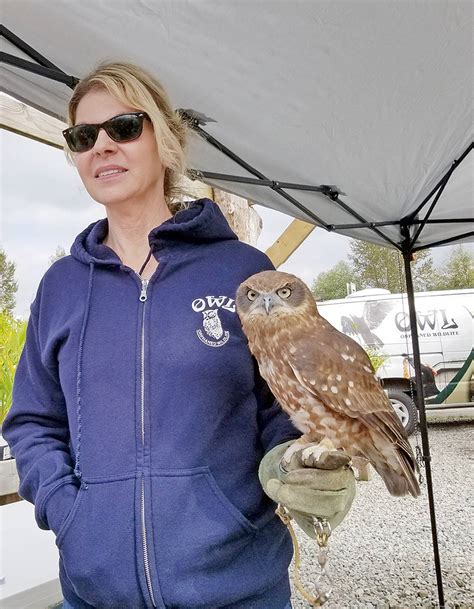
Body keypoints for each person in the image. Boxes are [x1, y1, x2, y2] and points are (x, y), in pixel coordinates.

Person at [2, 62, 355, 609]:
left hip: (238, 589)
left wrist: (295, 467)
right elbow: (33, 420)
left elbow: (281, 406)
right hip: (97, 594)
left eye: (123, 128)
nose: (102, 146)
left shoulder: (242, 272)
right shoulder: (61, 287)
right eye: (82, 136)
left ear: (165, 140)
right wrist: (68, 512)